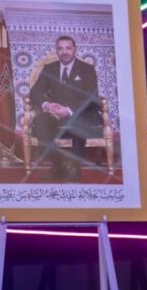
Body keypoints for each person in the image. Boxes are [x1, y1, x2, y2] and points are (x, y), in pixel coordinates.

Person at [29, 35, 102, 181]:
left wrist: (68, 110)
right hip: (56, 114)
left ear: (75, 49)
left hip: (81, 112)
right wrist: (47, 105)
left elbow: (91, 96)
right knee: (40, 120)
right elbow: (35, 91)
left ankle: (74, 167)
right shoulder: (50, 68)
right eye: (60, 49)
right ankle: (58, 164)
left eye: (68, 48)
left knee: (76, 121)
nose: (64, 52)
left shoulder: (87, 69)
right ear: (56, 51)